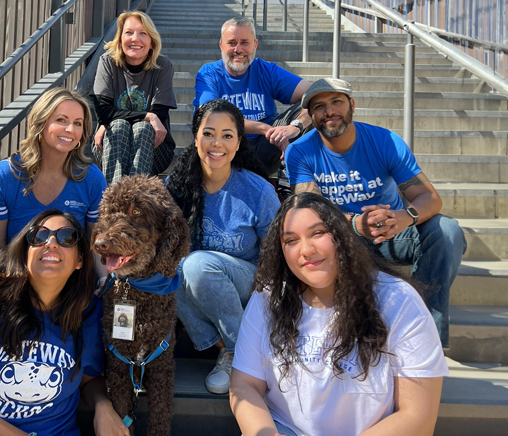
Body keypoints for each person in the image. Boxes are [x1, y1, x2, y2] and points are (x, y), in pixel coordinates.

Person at [230, 193, 448, 436]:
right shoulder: (269, 298)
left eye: (317, 233)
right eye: (291, 240)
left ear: (342, 236)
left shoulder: (398, 301)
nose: (306, 250)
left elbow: (418, 416)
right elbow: (244, 385)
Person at [284, 77, 466, 348]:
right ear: (311, 116)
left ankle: (425, 337)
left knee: (447, 231)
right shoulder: (300, 151)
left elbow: (429, 198)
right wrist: (355, 224)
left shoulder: (386, 141)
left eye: (336, 102)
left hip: (390, 231)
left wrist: (404, 217)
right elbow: (310, 211)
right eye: (319, 107)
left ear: (352, 105)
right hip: (340, 238)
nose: (329, 111)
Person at [0, 210, 129, 436]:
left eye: (66, 237)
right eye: (39, 236)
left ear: (80, 260)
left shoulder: (87, 311)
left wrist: (103, 406)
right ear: (25, 253)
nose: (51, 243)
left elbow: (88, 379)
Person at [0, 87, 107, 336]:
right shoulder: (4, 176)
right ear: (40, 123)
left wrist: (104, 282)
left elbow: (95, 245)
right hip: (12, 270)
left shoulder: (91, 178)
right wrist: (23, 285)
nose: (71, 130)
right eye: (61, 120)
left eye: (78, 123)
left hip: (66, 274)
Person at [166, 99, 280, 395]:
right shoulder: (177, 185)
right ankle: (230, 349)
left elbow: (275, 257)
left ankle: (241, 356)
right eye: (208, 133)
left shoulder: (258, 191)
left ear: (239, 142)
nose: (217, 143)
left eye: (227, 135)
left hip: (249, 284)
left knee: (195, 264)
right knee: (168, 267)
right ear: (195, 137)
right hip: (198, 291)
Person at [193, 16, 313, 175]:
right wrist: (263, 128)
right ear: (221, 46)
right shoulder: (209, 73)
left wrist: (294, 127)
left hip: (266, 148)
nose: (238, 49)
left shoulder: (267, 71)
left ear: (255, 45)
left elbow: (315, 93)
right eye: (231, 43)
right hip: (225, 148)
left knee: (316, 103)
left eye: (244, 42)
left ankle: (305, 180)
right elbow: (209, 115)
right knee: (216, 124)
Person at [92, 11, 176, 185]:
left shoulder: (163, 66)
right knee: (119, 126)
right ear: (120, 39)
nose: (135, 39)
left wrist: (150, 118)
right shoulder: (107, 62)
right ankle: (117, 200)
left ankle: (131, 197)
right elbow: (104, 112)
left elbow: (158, 115)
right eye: (128, 32)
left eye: (143, 33)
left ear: (152, 42)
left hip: (155, 150)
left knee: (143, 129)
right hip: (108, 146)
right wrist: (148, 115)